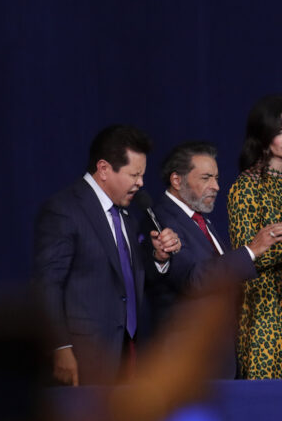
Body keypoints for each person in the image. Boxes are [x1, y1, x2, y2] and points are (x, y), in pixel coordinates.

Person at [33, 125, 180, 386]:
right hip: (83, 358)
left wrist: (158, 257)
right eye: (134, 174)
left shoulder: (127, 216)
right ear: (103, 169)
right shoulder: (64, 210)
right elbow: (47, 285)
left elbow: (124, 279)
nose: (141, 183)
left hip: (127, 355)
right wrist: (60, 348)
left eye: (142, 174)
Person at [142, 142, 282, 328]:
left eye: (216, 178)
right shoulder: (161, 221)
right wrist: (251, 250)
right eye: (206, 178)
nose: (216, 186)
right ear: (177, 181)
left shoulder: (196, 216)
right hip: (187, 347)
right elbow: (193, 280)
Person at [228, 95, 282, 379]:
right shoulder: (245, 187)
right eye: (279, 131)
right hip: (264, 305)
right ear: (263, 136)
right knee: (268, 398)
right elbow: (245, 259)